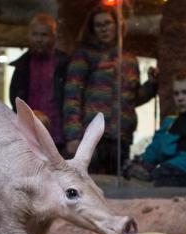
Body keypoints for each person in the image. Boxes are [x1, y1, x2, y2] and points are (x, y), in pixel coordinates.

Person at [63, 4, 158, 174]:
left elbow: (132, 99)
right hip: (92, 135)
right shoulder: (84, 55)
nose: (103, 29)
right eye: (98, 25)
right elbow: (72, 97)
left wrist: (152, 84)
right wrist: (73, 136)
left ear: (117, 25)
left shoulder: (129, 59)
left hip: (122, 136)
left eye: (107, 23)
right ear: (92, 29)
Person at [9, 14, 69, 154]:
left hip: (58, 137)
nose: (39, 39)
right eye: (35, 34)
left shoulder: (65, 64)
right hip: (28, 136)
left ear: (54, 37)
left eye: (44, 34)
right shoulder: (22, 66)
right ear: (29, 36)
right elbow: (15, 101)